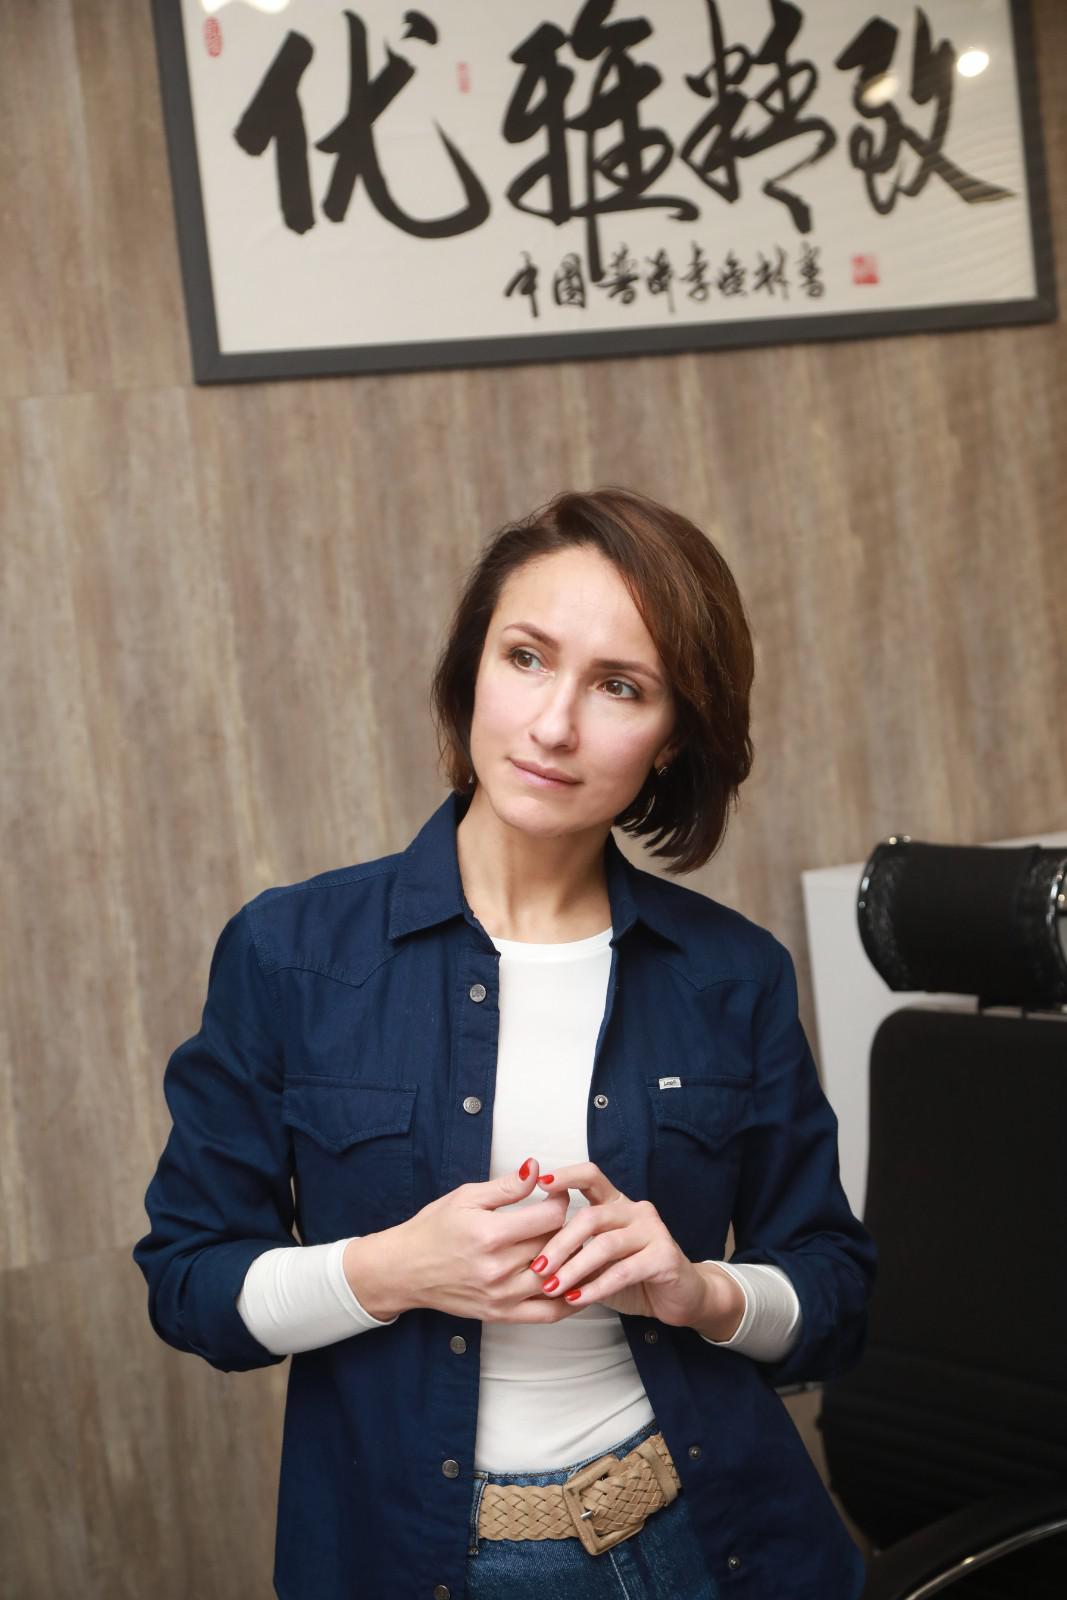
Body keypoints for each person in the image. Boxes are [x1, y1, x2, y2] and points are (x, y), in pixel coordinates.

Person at [133, 486, 877, 1600]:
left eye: (619, 686)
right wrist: (393, 1269)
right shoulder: (289, 954)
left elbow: (833, 1294)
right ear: (469, 669)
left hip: (708, 1541)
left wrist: (702, 1292)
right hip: (425, 1561)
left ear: (672, 737)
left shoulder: (732, 974)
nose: (553, 725)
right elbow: (188, 1283)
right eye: (525, 657)